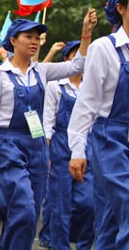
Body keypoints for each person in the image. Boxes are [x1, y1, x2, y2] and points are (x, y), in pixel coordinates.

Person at [0, 9, 97, 249]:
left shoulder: (42, 70)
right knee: (23, 207)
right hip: (8, 145)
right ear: (12, 40)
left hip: (37, 146)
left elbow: (77, 66)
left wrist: (86, 33)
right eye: (27, 37)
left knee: (30, 213)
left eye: (36, 37)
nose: (33, 42)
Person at [68, 0, 129, 248]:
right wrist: (78, 150)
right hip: (110, 139)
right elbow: (87, 104)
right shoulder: (104, 48)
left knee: (110, 219)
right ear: (121, 8)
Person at [43, 41, 95, 250]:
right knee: (60, 204)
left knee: (88, 203)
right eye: (76, 55)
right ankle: (60, 246)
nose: (80, 60)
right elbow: (48, 122)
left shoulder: (91, 86)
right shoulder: (55, 86)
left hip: (86, 145)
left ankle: (83, 244)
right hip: (60, 146)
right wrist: (45, 153)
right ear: (66, 60)